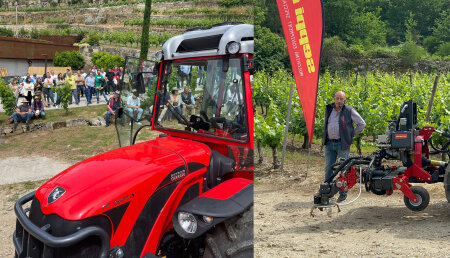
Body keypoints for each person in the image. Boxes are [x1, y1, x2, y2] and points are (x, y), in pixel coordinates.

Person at [323, 91, 366, 202]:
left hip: (342, 143)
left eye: (341, 99)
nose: (338, 101)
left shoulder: (349, 110)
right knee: (329, 168)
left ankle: (343, 193)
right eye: (337, 98)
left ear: (344, 100)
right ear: (334, 99)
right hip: (329, 143)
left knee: (343, 169)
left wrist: (351, 133)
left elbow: (362, 123)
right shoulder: (328, 109)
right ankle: (328, 192)